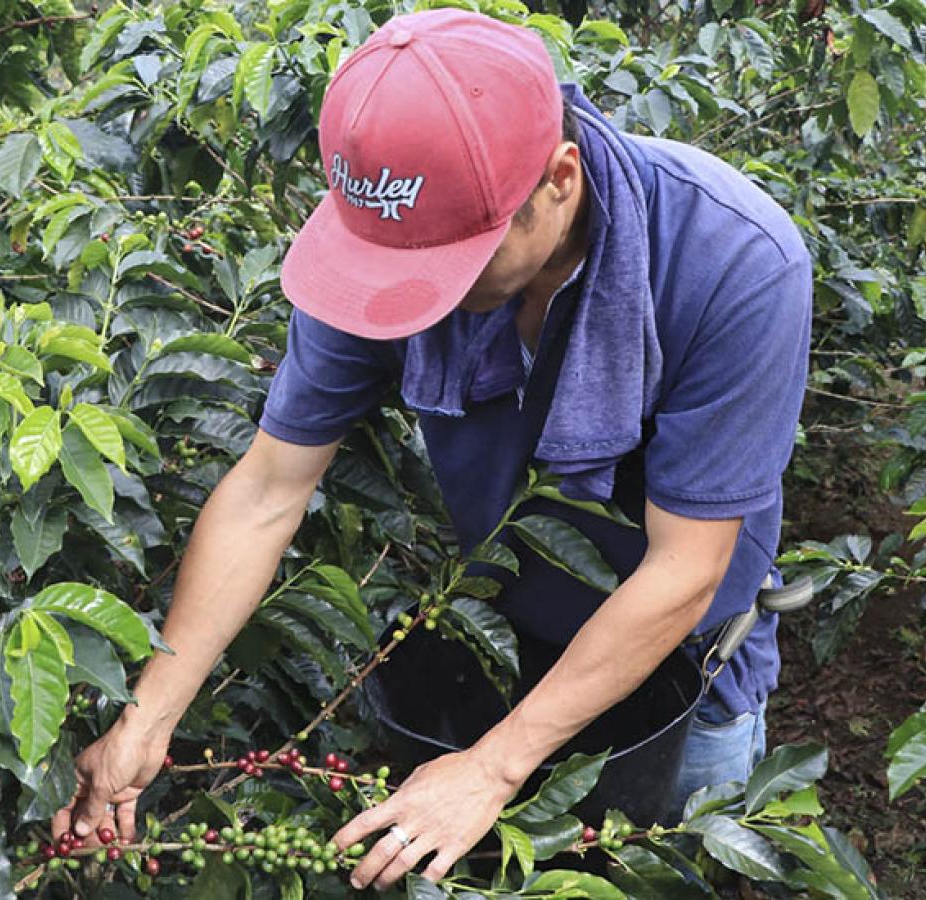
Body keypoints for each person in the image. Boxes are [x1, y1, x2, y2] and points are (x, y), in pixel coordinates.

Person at [52, 9, 812, 891]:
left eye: (456, 263)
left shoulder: (734, 264)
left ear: (559, 182)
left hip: (686, 674)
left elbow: (685, 568)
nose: (417, 294)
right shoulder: (384, 242)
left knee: (672, 868)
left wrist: (493, 768)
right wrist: (148, 717)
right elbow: (268, 488)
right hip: (511, 632)